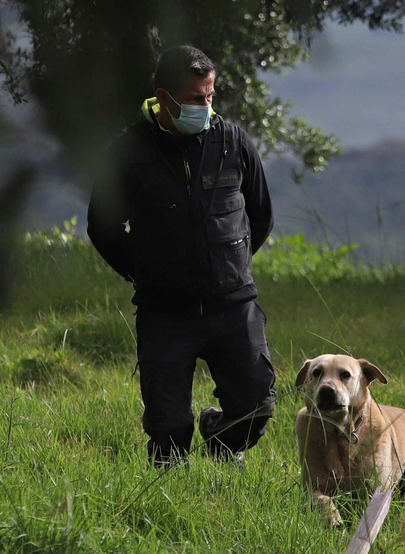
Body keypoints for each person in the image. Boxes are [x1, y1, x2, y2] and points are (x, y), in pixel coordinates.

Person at [87, 46, 277, 467]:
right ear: (164, 98)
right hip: (165, 311)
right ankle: (169, 503)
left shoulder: (233, 141)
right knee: (168, 435)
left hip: (233, 305)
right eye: (196, 99)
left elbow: (260, 214)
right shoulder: (127, 153)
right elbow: (102, 227)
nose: (206, 106)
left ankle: (220, 437)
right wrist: (144, 272)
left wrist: (231, 264)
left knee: (256, 408)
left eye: (211, 96)